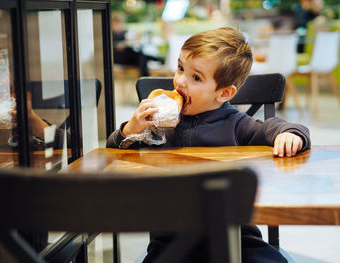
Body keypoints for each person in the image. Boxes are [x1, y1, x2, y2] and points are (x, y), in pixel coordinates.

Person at [107, 27, 311, 263]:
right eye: (181, 68)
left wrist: (290, 134)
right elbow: (113, 154)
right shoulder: (157, 125)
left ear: (224, 93)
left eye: (196, 78)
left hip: (237, 236)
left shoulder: (236, 124)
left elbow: (273, 127)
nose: (180, 81)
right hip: (170, 239)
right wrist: (130, 129)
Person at [112, 12, 163, 77]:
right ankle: (147, 75)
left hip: (130, 56)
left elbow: (136, 37)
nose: (121, 25)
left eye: (121, 23)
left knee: (142, 56)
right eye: (118, 23)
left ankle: (146, 77)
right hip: (120, 58)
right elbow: (118, 47)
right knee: (142, 57)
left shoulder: (125, 32)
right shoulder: (112, 35)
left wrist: (136, 38)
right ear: (113, 24)